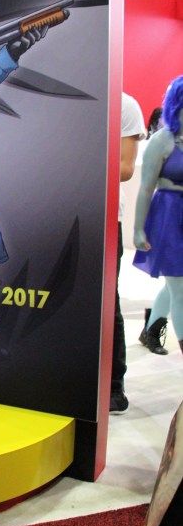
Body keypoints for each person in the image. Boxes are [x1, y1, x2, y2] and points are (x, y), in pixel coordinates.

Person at [133, 75, 183, 357]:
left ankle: (151, 330)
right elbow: (145, 187)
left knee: (176, 282)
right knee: (180, 286)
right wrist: (138, 229)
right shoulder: (161, 141)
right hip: (168, 216)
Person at [110, 92, 146, 415]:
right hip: (61, 207)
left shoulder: (124, 105)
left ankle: (113, 386)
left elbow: (125, 168)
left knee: (108, 302)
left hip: (106, 216)